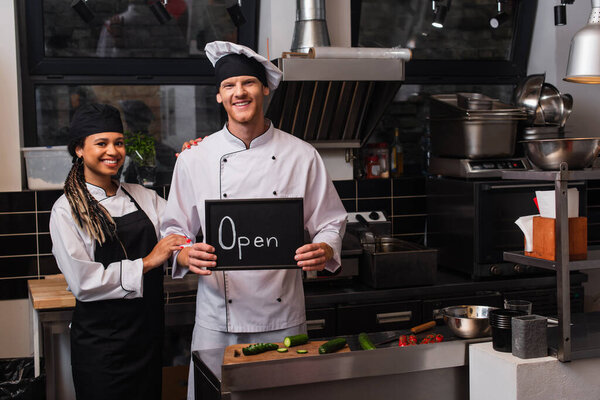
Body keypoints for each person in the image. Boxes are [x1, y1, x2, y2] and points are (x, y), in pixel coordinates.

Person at [160, 41, 347, 399]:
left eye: (247, 83)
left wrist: (324, 248)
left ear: (265, 89)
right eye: (229, 86)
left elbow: (330, 221)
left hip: (283, 318)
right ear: (219, 97)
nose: (238, 92)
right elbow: (174, 231)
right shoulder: (194, 158)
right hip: (217, 318)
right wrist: (185, 254)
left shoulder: (301, 155)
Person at [49, 103, 188, 400]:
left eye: (118, 142)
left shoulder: (143, 197)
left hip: (146, 339)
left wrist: (194, 163)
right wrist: (148, 262)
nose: (113, 151)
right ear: (79, 150)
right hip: (102, 351)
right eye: (101, 143)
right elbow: (84, 283)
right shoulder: (67, 210)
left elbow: (181, 232)